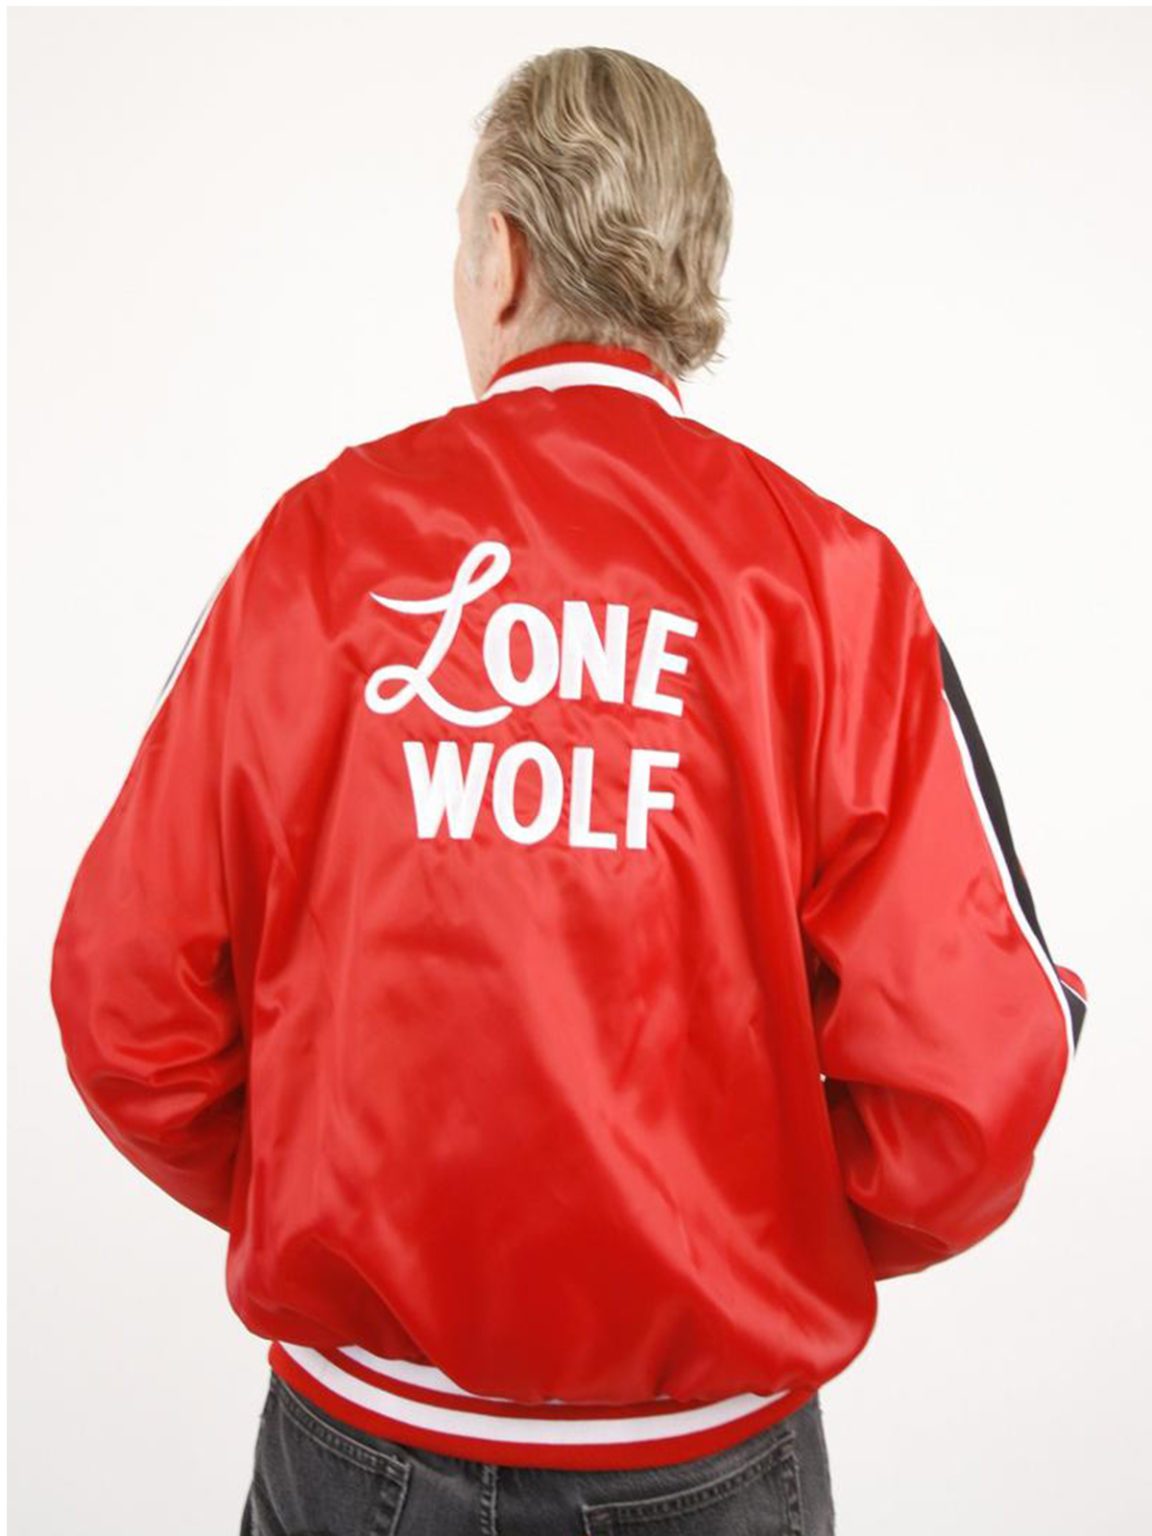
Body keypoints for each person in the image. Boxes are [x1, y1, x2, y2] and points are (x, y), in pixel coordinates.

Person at [48, 45, 1087, 1536]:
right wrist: (743, 1243)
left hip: (360, 1447)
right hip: (713, 1461)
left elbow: (124, 1000)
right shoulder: (830, 584)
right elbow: (977, 1075)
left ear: (501, 254)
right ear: (689, 272)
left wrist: (348, 1214)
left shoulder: (317, 552)